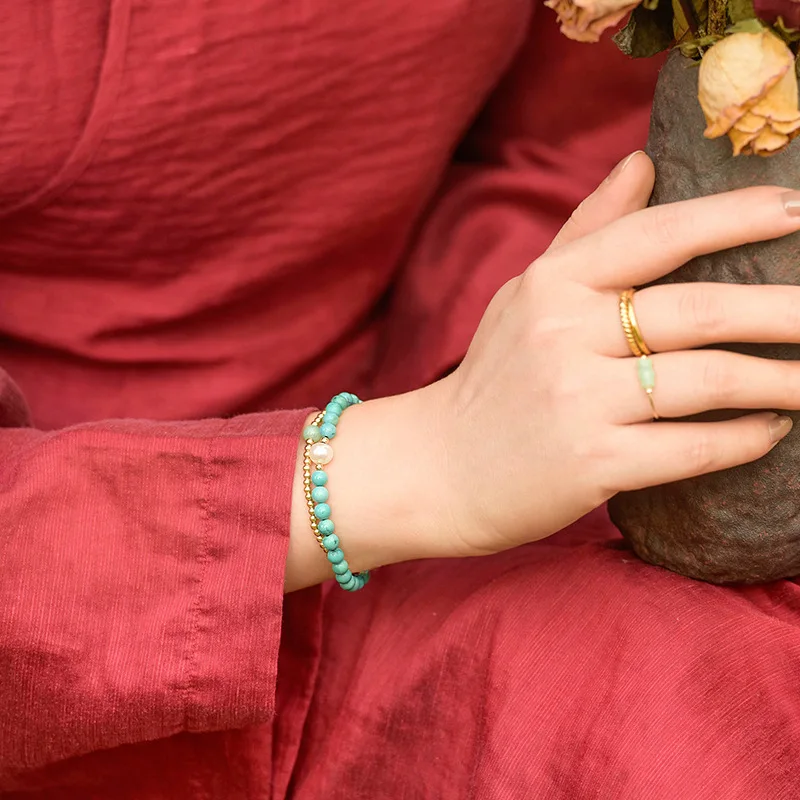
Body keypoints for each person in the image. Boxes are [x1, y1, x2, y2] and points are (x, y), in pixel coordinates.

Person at [4, 2, 800, 798]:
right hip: (75, 599)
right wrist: (412, 461)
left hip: (448, 453)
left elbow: (555, 137)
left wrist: (523, 366)